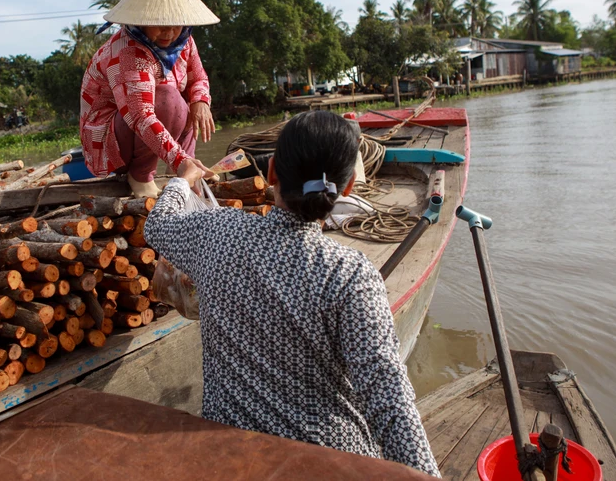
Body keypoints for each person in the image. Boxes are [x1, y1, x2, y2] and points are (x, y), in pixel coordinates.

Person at [143, 111, 441, 476]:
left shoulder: (216, 233)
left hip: (229, 456)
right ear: (346, 189)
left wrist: (182, 181)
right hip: (327, 463)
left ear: (271, 175)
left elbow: (158, 226)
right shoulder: (349, 274)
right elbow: (390, 402)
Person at [80, 0, 218, 197]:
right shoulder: (127, 50)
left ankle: (187, 169)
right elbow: (140, 115)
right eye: (161, 24)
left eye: (176, 24)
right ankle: (141, 175)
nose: (170, 32)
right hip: (112, 142)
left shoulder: (184, 40)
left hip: (154, 132)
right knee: (168, 97)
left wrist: (200, 101)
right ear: (142, 20)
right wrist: (180, 160)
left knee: (187, 100)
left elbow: (199, 77)